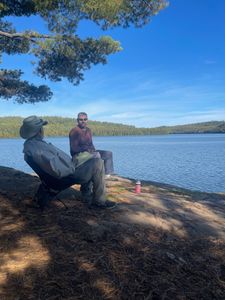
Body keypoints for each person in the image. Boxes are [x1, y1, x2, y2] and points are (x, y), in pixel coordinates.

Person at [20, 115, 116, 209]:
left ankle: (87, 194)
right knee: (97, 163)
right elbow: (57, 169)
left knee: (91, 160)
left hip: (60, 174)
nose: (42, 130)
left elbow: (51, 165)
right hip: (67, 176)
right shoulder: (37, 148)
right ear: (39, 130)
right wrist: (72, 167)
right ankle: (99, 201)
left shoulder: (32, 146)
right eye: (42, 128)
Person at [69, 112, 114, 177]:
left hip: (89, 153)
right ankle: (97, 175)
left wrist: (93, 150)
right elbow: (73, 149)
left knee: (108, 153)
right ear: (77, 120)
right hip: (78, 156)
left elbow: (91, 144)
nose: (83, 121)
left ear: (87, 120)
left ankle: (107, 175)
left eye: (85, 119)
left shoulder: (88, 130)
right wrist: (86, 149)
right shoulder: (74, 131)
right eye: (81, 120)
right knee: (97, 155)